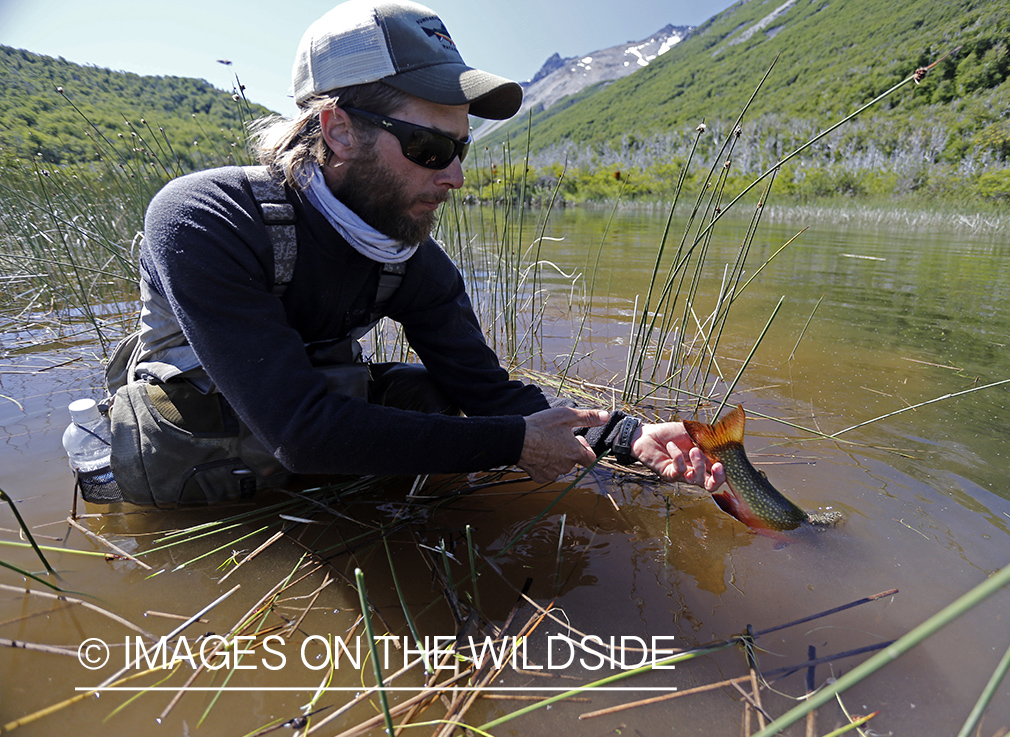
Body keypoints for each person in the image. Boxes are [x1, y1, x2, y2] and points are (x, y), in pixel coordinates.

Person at [106, 0, 723, 507]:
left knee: (433, 395)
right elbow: (301, 432)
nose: (455, 176)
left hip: (305, 435)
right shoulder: (205, 217)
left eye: (461, 149)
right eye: (430, 147)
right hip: (208, 451)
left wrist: (627, 435)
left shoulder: (411, 258)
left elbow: (488, 393)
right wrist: (511, 445)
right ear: (339, 129)